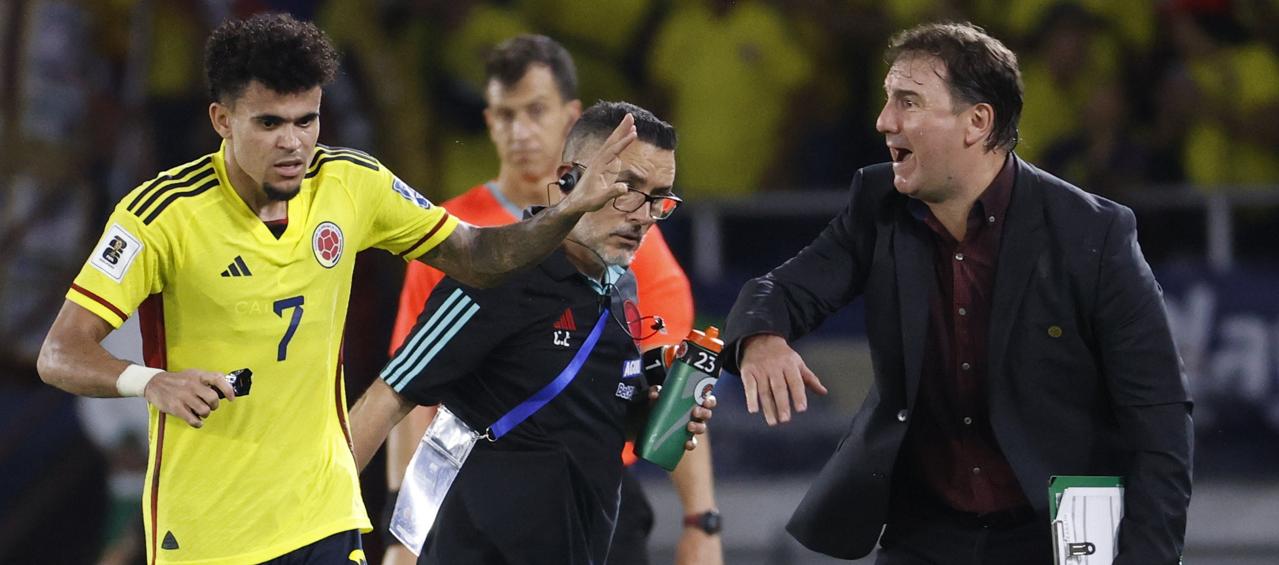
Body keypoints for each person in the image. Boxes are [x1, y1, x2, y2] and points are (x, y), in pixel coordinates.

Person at [36, 13, 640, 565]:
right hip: (208, 529)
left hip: (324, 515)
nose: (293, 142)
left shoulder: (352, 183)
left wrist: (568, 211)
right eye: (269, 123)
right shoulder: (161, 215)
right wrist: (152, 382)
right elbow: (60, 353)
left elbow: (478, 258)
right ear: (222, 119)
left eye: (307, 120)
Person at [722, 22, 1192, 565]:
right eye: (887, 100)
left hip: (1052, 536)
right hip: (924, 533)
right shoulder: (878, 206)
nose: (884, 121)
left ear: (977, 122)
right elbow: (781, 288)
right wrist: (761, 337)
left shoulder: (1090, 233)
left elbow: (1159, 417)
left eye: (909, 102)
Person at [382, 35, 721, 565]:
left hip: (599, 493)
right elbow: (409, 395)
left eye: (535, 111)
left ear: (570, 117)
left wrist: (702, 520)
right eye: (504, 114)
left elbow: (665, 385)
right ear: (488, 120)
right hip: (479, 499)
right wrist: (404, 537)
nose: (520, 132)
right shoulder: (447, 236)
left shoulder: (636, 245)